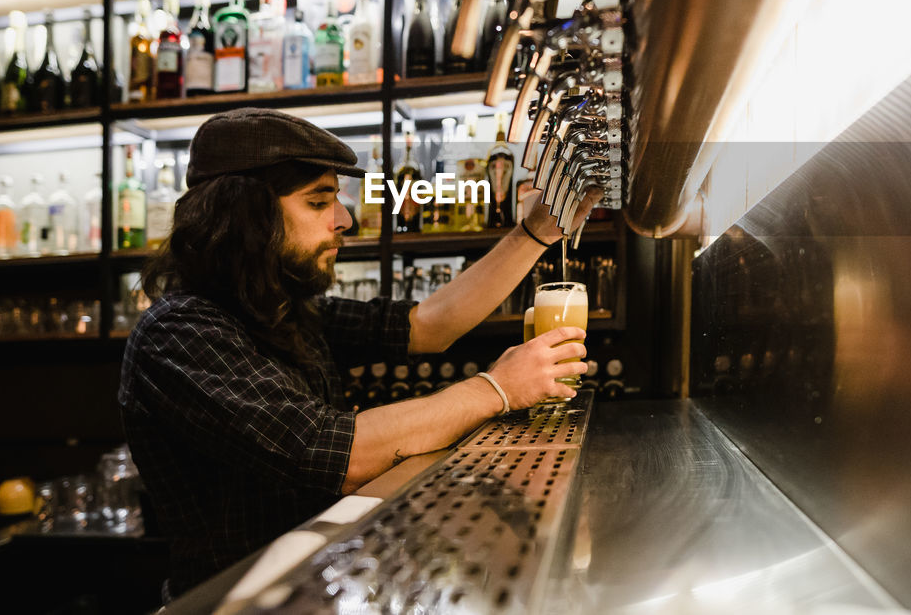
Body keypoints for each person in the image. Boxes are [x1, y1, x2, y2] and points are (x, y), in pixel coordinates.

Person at [117, 107, 595, 598]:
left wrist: (537, 230)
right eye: (319, 201)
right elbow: (338, 451)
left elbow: (428, 327)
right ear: (246, 216)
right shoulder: (178, 334)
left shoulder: (283, 308)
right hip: (234, 603)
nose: (344, 219)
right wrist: (497, 389)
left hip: (308, 584)